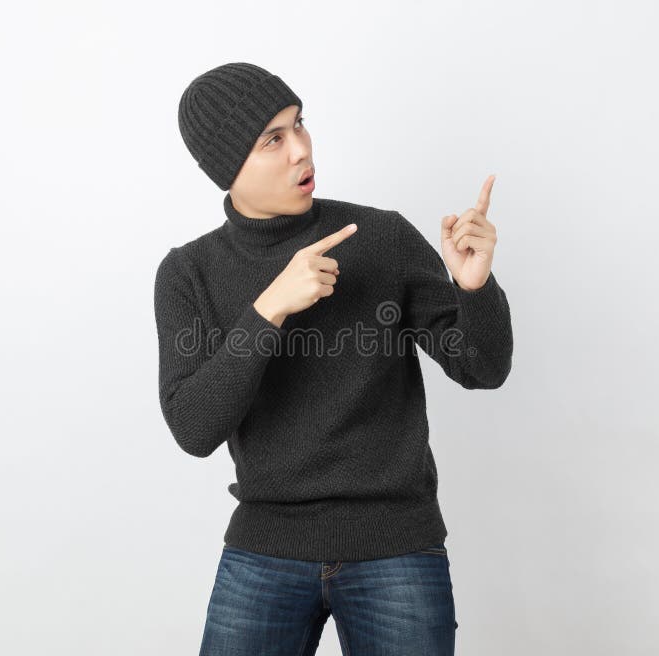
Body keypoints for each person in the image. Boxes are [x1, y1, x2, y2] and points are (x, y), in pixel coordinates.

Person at [154, 62, 513, 656]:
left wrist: (473, 288)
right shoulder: (188, 273)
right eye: (273, 139)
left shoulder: (381, 237)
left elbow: (483, 367)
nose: (301, 150)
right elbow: (193, 428)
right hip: (263, 550)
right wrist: (268, 309)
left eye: (300, 125)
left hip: (396, 544)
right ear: (227, 166)